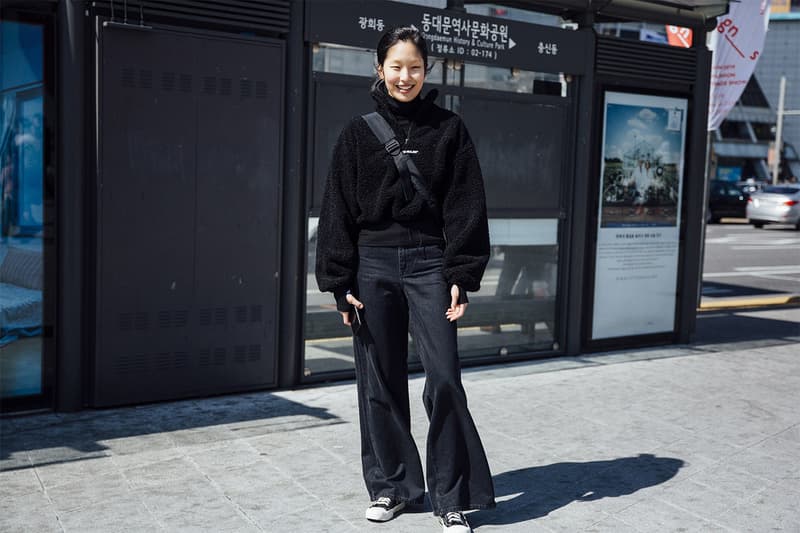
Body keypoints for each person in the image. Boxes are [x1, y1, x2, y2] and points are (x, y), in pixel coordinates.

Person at [315, 26, 495, 533]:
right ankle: (392, 488)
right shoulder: (356, 133)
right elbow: (337, 209)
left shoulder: (449, 130)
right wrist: (338, 277)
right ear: (380, 69)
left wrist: (462, 272)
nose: (405, 76)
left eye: (414, 66)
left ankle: (451, 496)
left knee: (445, 379)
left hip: (428, 263)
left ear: (426, 71)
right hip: (371, 264)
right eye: (396, 66)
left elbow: (466, 207)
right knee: (379, 382)